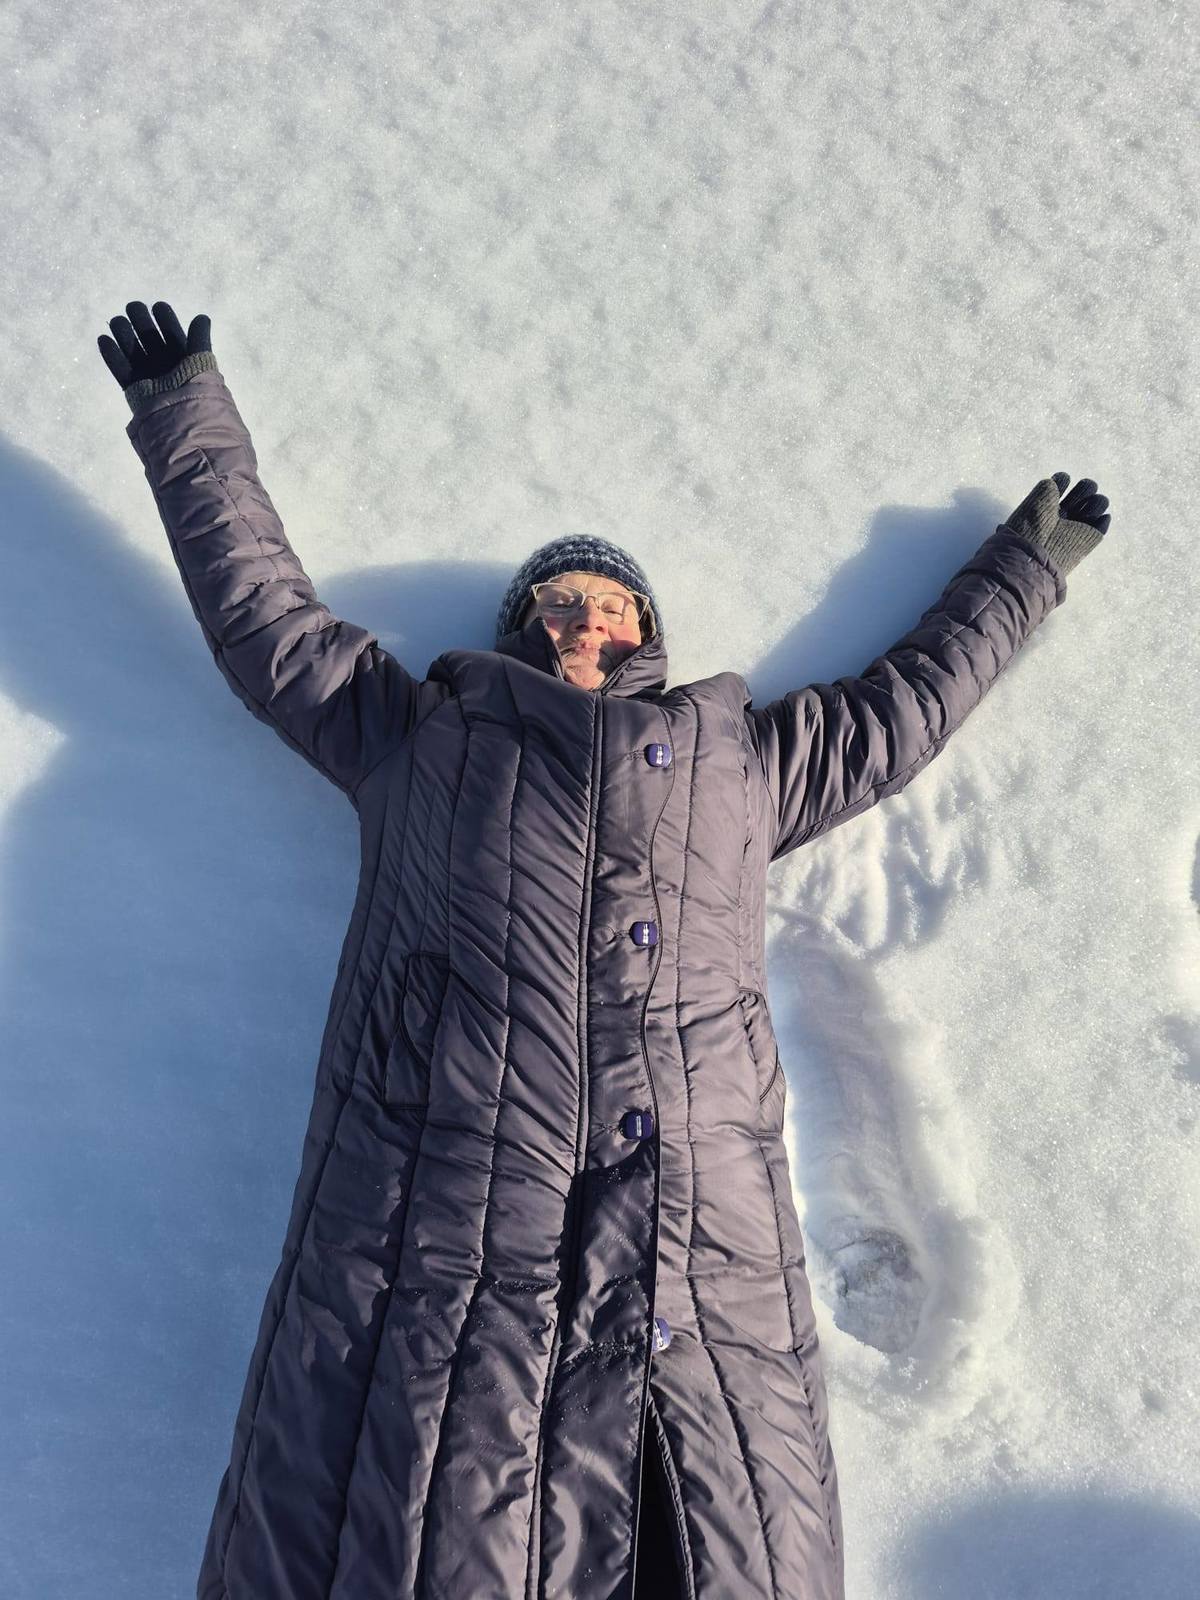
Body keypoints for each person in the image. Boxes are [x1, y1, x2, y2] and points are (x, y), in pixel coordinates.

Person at [99, 301, 1110, 1600]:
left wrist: (1025, 569)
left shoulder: (738, 760)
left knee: (714, 1526)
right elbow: (271, 624)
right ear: (520, 628)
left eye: (613, 606)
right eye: (560, 604)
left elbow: (903, 707)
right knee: (429, 1513)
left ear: (650, 634)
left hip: (695, 1210)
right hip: (447, 1194)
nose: (586, 623)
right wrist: (185, 411)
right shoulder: (422, 734)